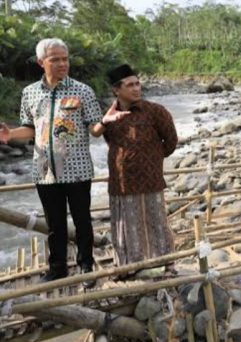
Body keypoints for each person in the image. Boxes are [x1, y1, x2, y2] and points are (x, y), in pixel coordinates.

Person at [0, 38, 121, 287]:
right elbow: (29, 129)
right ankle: (57, 268)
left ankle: (85, 263)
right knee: (54, 223)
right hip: (44, 170)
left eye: (65, 58)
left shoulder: (82, 91)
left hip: (77, 169)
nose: (62, 63)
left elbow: (94, 130)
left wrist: (106, 121)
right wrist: (11, 134)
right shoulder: (30, 93)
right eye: (55, 59)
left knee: (81, 219)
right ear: (40, 62)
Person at [90, 64, 177, 268]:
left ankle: (165, 264)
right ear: (116, 90)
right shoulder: (108, 116)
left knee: (156, 222)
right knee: (125, 225)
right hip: (121, 182)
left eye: (138, 84)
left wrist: (150, 160)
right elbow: (108, 140)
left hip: (150, 180)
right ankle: (130, 266)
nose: (136, 88)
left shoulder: (156, 112)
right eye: (130, 85)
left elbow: (171, 142)